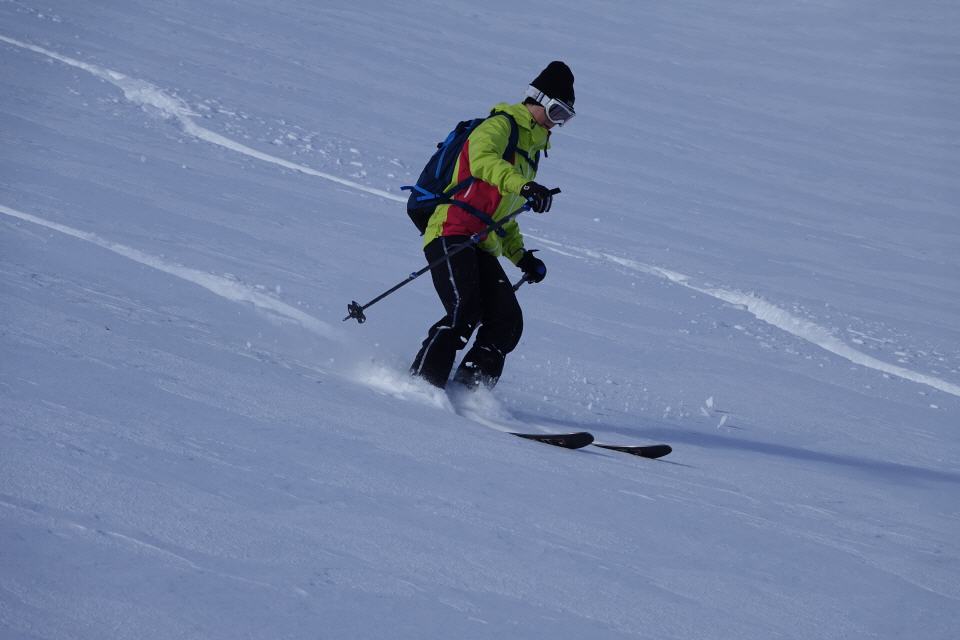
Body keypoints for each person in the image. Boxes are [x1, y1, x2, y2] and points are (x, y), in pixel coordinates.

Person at [410, 61, 576, 390]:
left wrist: (521, 257)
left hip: (481, 242)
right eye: (557, 113)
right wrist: (524, 186)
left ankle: (470, 393)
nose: (559, 124)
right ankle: (420, 387)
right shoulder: (501, 125)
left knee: (507, 321)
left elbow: (504, 213)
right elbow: (483, 160)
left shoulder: (530, 153)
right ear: (538, 100)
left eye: (566, 118)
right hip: (451, 230)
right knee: (465, 310)